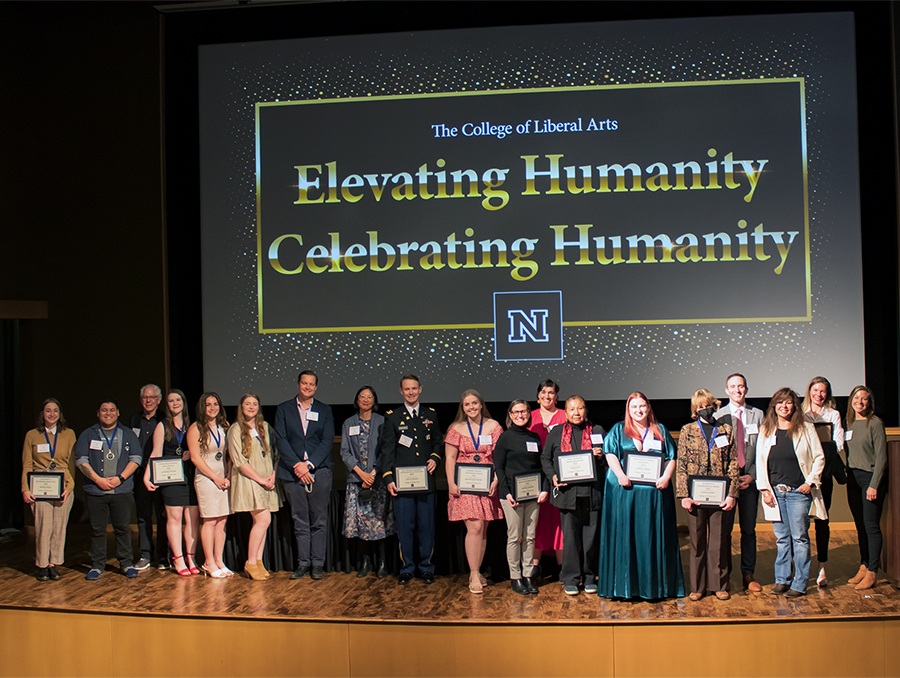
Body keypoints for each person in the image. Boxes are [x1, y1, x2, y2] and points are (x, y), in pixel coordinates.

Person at [598, 392, 684, 600]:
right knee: (625, 536)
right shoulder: (618, 430)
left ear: (648, 407)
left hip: (654, 494)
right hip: (624, 491)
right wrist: (619, 475)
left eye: (642, 406)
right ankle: (624, 588)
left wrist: (666, 477)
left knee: (651, 537)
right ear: (628, 410)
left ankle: (654, 587)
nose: (638, 410)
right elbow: (610, 454)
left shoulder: (660, 429)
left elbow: (671, 457)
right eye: (634, 407)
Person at [757, 387, 826, 598]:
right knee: (782, 539)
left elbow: (819, 457)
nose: (784, 406)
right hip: (775, 494)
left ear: (794, 405)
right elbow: (760, 462)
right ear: (774, 406)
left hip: (798, 492)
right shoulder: (766, 429)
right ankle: (782, 580)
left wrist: (810, 482)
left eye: (788, 403)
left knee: (800, 538)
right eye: (780, 403)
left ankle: (800, 582)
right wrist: (765, 490)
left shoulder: (805, 427)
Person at [380, 374, 443, 585]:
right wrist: (388, 477)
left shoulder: (430, 415)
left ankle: (426, 567)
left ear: (420, 389)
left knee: (426, 527)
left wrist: (435, 457)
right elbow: (387, 450)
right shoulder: (392, 416)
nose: (411, 392)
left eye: (414, 388)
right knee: (405, 527)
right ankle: (407, 568)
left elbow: (438, 443)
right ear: (401, 391)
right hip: (402, 484)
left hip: (426, 483)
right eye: (407, 389)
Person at [676, 389, 739, 601]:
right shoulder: (687, 430)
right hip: (695, 497)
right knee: (697, 542)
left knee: (719, 541)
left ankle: (719, 585)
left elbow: (732, 463)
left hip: (720, 496)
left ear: (715, 405)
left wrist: (732, 494)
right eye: (700, 406)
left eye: (708, 405)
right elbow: (682, 464)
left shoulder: (726, 429)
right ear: (695, 410)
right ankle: (698, 586)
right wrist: (684, 494)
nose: (705, 409)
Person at [541, 396, 606, 596]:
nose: (576, 413)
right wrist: (552, 476)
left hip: (592, 493)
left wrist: (601, 456)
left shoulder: (597, 431)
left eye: (580, 408)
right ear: (566, 412)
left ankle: (589, 577)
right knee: (569, 539)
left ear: (585, 410)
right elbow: (545, 458)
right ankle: (570, 578)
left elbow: (611, 459)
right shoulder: (557, 433)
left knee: (590, 540)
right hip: (568, 495)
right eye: (572, 409)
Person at [274, 370, 335, 581]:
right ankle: (303, 564)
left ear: (316, 387)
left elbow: (327, 441)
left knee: (318, 520)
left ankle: (317, 564)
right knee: (299, 519)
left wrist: (308, 465)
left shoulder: (325, 410)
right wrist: (297, 466)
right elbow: (281, 440)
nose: (307, 387)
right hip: (292, 473)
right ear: (298, 384)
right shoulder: (284, 409)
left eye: (311, 384)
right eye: (304, 383)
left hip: (319, 471)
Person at [74, 399, 143, 580]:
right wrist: (98, 480)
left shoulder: (127, 434)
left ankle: (126, 563)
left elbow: (136, 458)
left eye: (112, 410)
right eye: (104, 410)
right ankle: (97, 565)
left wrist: (120, 478)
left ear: (118, 413)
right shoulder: (88, 434)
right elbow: (81, 460)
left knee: (123, 529)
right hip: (96, 491)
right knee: (97, 530)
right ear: (98, 413)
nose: (108, 413)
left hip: (122, 491)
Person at [445, 389, 504, 593]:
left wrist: (497, 480)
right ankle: (473, 574)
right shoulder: (456, 428)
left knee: (484, 528)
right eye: (467, 404)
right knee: (475, 527)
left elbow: (500, 457)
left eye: (474, 403)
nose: (471, 407)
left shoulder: (494, 426)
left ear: (481, 404)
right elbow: (450, 458)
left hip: (487, 484)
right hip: (464, 485)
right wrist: (451, 483)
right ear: (463, 408)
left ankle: (477, 570)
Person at [714, 373, 764, 592]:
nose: (737, 390)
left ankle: (748, 574)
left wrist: (752, 475)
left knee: (749, 530)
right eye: (733, 386)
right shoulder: (718, 416)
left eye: (741, 386)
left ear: (746, 389)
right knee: (723, 530)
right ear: (726, 390)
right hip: (727, 482)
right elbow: (716, 452)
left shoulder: (758, 415)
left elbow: (763, 449)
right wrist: (732, 479)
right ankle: (723, 577)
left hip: (750, 479)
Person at [143, 389, 201, 576]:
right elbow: (156, 453)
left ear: (183, 402)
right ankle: (177, 558)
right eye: (170, 401)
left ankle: (191, 557)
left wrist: (192, 453)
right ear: (166, 405)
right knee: (174, 519)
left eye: (178, 399)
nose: (175, 403)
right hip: (171, 479)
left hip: (190, 477)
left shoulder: (192, 425)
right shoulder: (162, 425)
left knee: (192, 520)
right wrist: (147, 475)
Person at [339, 386, 395, 578]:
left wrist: (373, 473)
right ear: (357, 400)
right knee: (360, 523)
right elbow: (344, 452)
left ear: (374, 400)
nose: (365, 400)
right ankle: (365, 562)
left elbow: (385, 450)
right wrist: (361, 474)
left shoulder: (382, 421)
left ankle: (382, 562)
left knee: (379, 523)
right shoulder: (349, 423)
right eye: (362, 396)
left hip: (377, 480)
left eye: (369, 397)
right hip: (356, 480)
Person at [494, 400, 548, 595]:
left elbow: (541, 466)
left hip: (533, 495)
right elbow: (499, 467)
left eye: (523, 411)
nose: (520, 415)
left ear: (528, 413)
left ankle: (528, 576)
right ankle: (515, 578)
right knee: (515, 537)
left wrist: (544, 488)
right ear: (510, 414)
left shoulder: (534, 437)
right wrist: (507, 492)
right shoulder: (504, 438)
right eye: (516, 412)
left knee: (530, 537)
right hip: (511, 497)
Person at [228, 393, 282, 581]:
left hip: (267, 480)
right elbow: (239, 461)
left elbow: (274, 454)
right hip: (249, 480)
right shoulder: (235, 429)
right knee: (263, 519)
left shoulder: (265, 427)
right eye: (247, 403)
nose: (251, 407)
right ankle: (251, 562)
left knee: (264, 522)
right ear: (241, 407)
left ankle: (258, 561)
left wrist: (273, 475)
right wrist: (260, 479)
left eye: (255, 404)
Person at [21, 398, 76, 581]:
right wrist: (25, 489)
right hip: (40, 484)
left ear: (60, 414)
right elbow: (27, 464)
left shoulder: (69, 434)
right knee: (44, 526)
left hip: (63, 484)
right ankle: (42, 565)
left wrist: (70, 486)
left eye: (55, 411)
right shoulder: (32, 435)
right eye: (47, 411)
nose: (52, 414)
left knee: (59, 526)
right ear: (42, 414)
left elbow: (71, 464)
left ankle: (54, 564)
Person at [801, 376, 846, 587]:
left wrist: (822, 454)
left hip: (824, 474)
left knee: (822, 521)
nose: (819, 394)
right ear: (809, 391)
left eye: (823, 391)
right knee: (799, 523)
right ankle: (799, 567)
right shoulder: (800, 414)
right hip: (801, 475)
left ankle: (822, 566)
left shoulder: (833, 414)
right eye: (816, 390)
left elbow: (838, 443)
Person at [844, 385, 888, 591]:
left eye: (864, 399)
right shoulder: (849, 423)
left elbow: (881, 457)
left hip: (869, 479)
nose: (859, 402)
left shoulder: (875, 424)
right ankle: (863, 564)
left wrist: (874, 484)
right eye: (856, 398)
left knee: (871, 526)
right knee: (860, 525)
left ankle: (872, 571)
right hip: (853, 478)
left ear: (869, 402)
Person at [188, 392, 232, 578]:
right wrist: (215, 477)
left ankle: (219, 560)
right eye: (208, 404)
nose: (212, 407)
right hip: (206, 478)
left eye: (215, 404)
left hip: (223, 479)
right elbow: (196, 458)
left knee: (222, 519)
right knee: (210, 519)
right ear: (202, 408)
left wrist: (227, 476)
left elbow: (230, 455)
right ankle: (208, 562)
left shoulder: (225, 427)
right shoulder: (195, 428)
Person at [528, 379, 566, 581]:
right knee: (537, 520)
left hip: (559, 475)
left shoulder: (564, 415)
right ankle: (535, 568)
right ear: (538, 395)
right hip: (535, 475)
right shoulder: (529, 417)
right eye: (543, 392)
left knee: (559, 520)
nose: (547, 396)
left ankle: (563, 568)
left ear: (556, 395)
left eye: (551, 392)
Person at [129, 384, 168, 570]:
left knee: (163, 516)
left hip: (160, 474)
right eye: (145, 397)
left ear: (159, 400)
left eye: (152, 397)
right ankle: (145, 555)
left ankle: (162, 557)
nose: (148, 400)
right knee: (143, 516)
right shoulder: (135, 419)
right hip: (139, 475)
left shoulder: (165, 419)